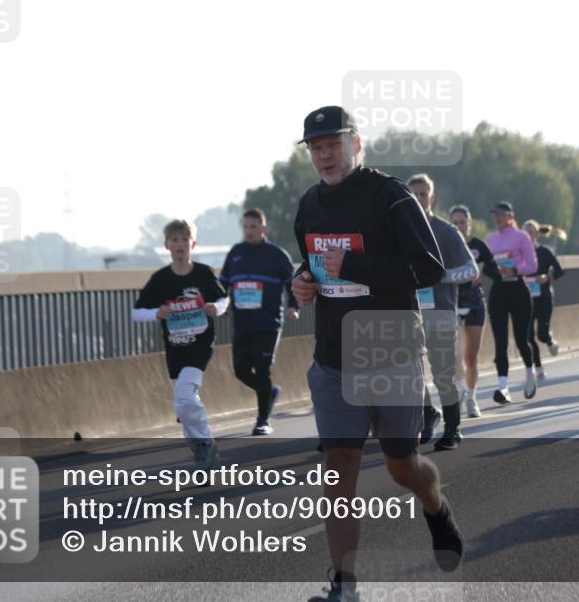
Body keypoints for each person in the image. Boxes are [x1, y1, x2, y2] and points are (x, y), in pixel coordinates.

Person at [291, 106, 464, 602]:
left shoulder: (390, 197)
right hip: (332, 356)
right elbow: (310, 264)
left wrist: (358, 263)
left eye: (334, 144)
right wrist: (300, 283)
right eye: (316, 148)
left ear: (356, 144)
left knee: (401, 467)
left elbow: (429, 268)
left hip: (391, 351)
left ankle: (436, 506)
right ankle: (345, 587)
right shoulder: (309, 205)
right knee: (339, 466)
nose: (325, 155)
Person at [132, 219, 229, 472]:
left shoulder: (204, 274)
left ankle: (206, 444)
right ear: (166, 245)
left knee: (185, 396)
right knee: (182, 403)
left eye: (184, 239)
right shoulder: (161, 279)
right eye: (174, 240)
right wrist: (157, 312)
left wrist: (215, 308)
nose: (180, 244)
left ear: (192, 243)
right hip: (174, 348)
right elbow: (137, 312)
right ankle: (203, 453)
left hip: (200, 346)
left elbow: (223, 299)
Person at [407, 175, 478, 450]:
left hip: (441, 314)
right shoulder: (400, 230)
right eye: (413, 194)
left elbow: (471, 270)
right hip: (409, 314)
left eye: (423, 194)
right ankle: (428, 414)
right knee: (409, 373)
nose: (419, 198)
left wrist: (440, 276)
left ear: (432, 198)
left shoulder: (447, 232)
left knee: (442, 375)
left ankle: (452, 429)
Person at [219, 208, 300, 436]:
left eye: (253, 226)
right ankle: (269, 392)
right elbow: (222, 283)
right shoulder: (235, 253)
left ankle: (262, 420)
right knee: (241, 370)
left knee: (262, 368)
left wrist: (294, 305)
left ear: (263, 229)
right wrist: (221, 304)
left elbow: (291, 282)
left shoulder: (276, 254)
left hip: (268, 323)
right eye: (245, 227)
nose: (249, 231)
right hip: (243, 323)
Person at [486, 202, 540, 403]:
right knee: (500, 341)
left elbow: (533, 265)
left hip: (518, 289)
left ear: (510, 216)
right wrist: (495, 271)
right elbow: (486, 265)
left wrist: (515, 269)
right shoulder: (490, 239)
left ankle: (529, 372)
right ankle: (503, 387)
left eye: (501, 214)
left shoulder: (521, 237)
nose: (497, 218)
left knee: (521, 339)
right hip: (498, 291)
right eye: (494, 214)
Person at [450, 205, 498, 418]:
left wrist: (483, 272)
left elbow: (495, 270)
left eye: (462, 221)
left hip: (475, 301)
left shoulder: (479, 245)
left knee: (471, 357)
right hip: (453, 300)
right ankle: (459, 391)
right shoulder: (447, 244)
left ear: (469, 223)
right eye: (455, 222)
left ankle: (471, 398)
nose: (459, 226)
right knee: (455, 354)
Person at [522, 220, 566, 377]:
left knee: (541, 333)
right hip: (526, 299)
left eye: (531, 232)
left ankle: (549, 340)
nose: (528, 235)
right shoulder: (519, 253)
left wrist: (547, 276)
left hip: (544, 297)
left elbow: (560, 271)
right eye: (525, 232)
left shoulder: (544, 252)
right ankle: (538, 368)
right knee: (528, 336)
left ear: (537, 234)